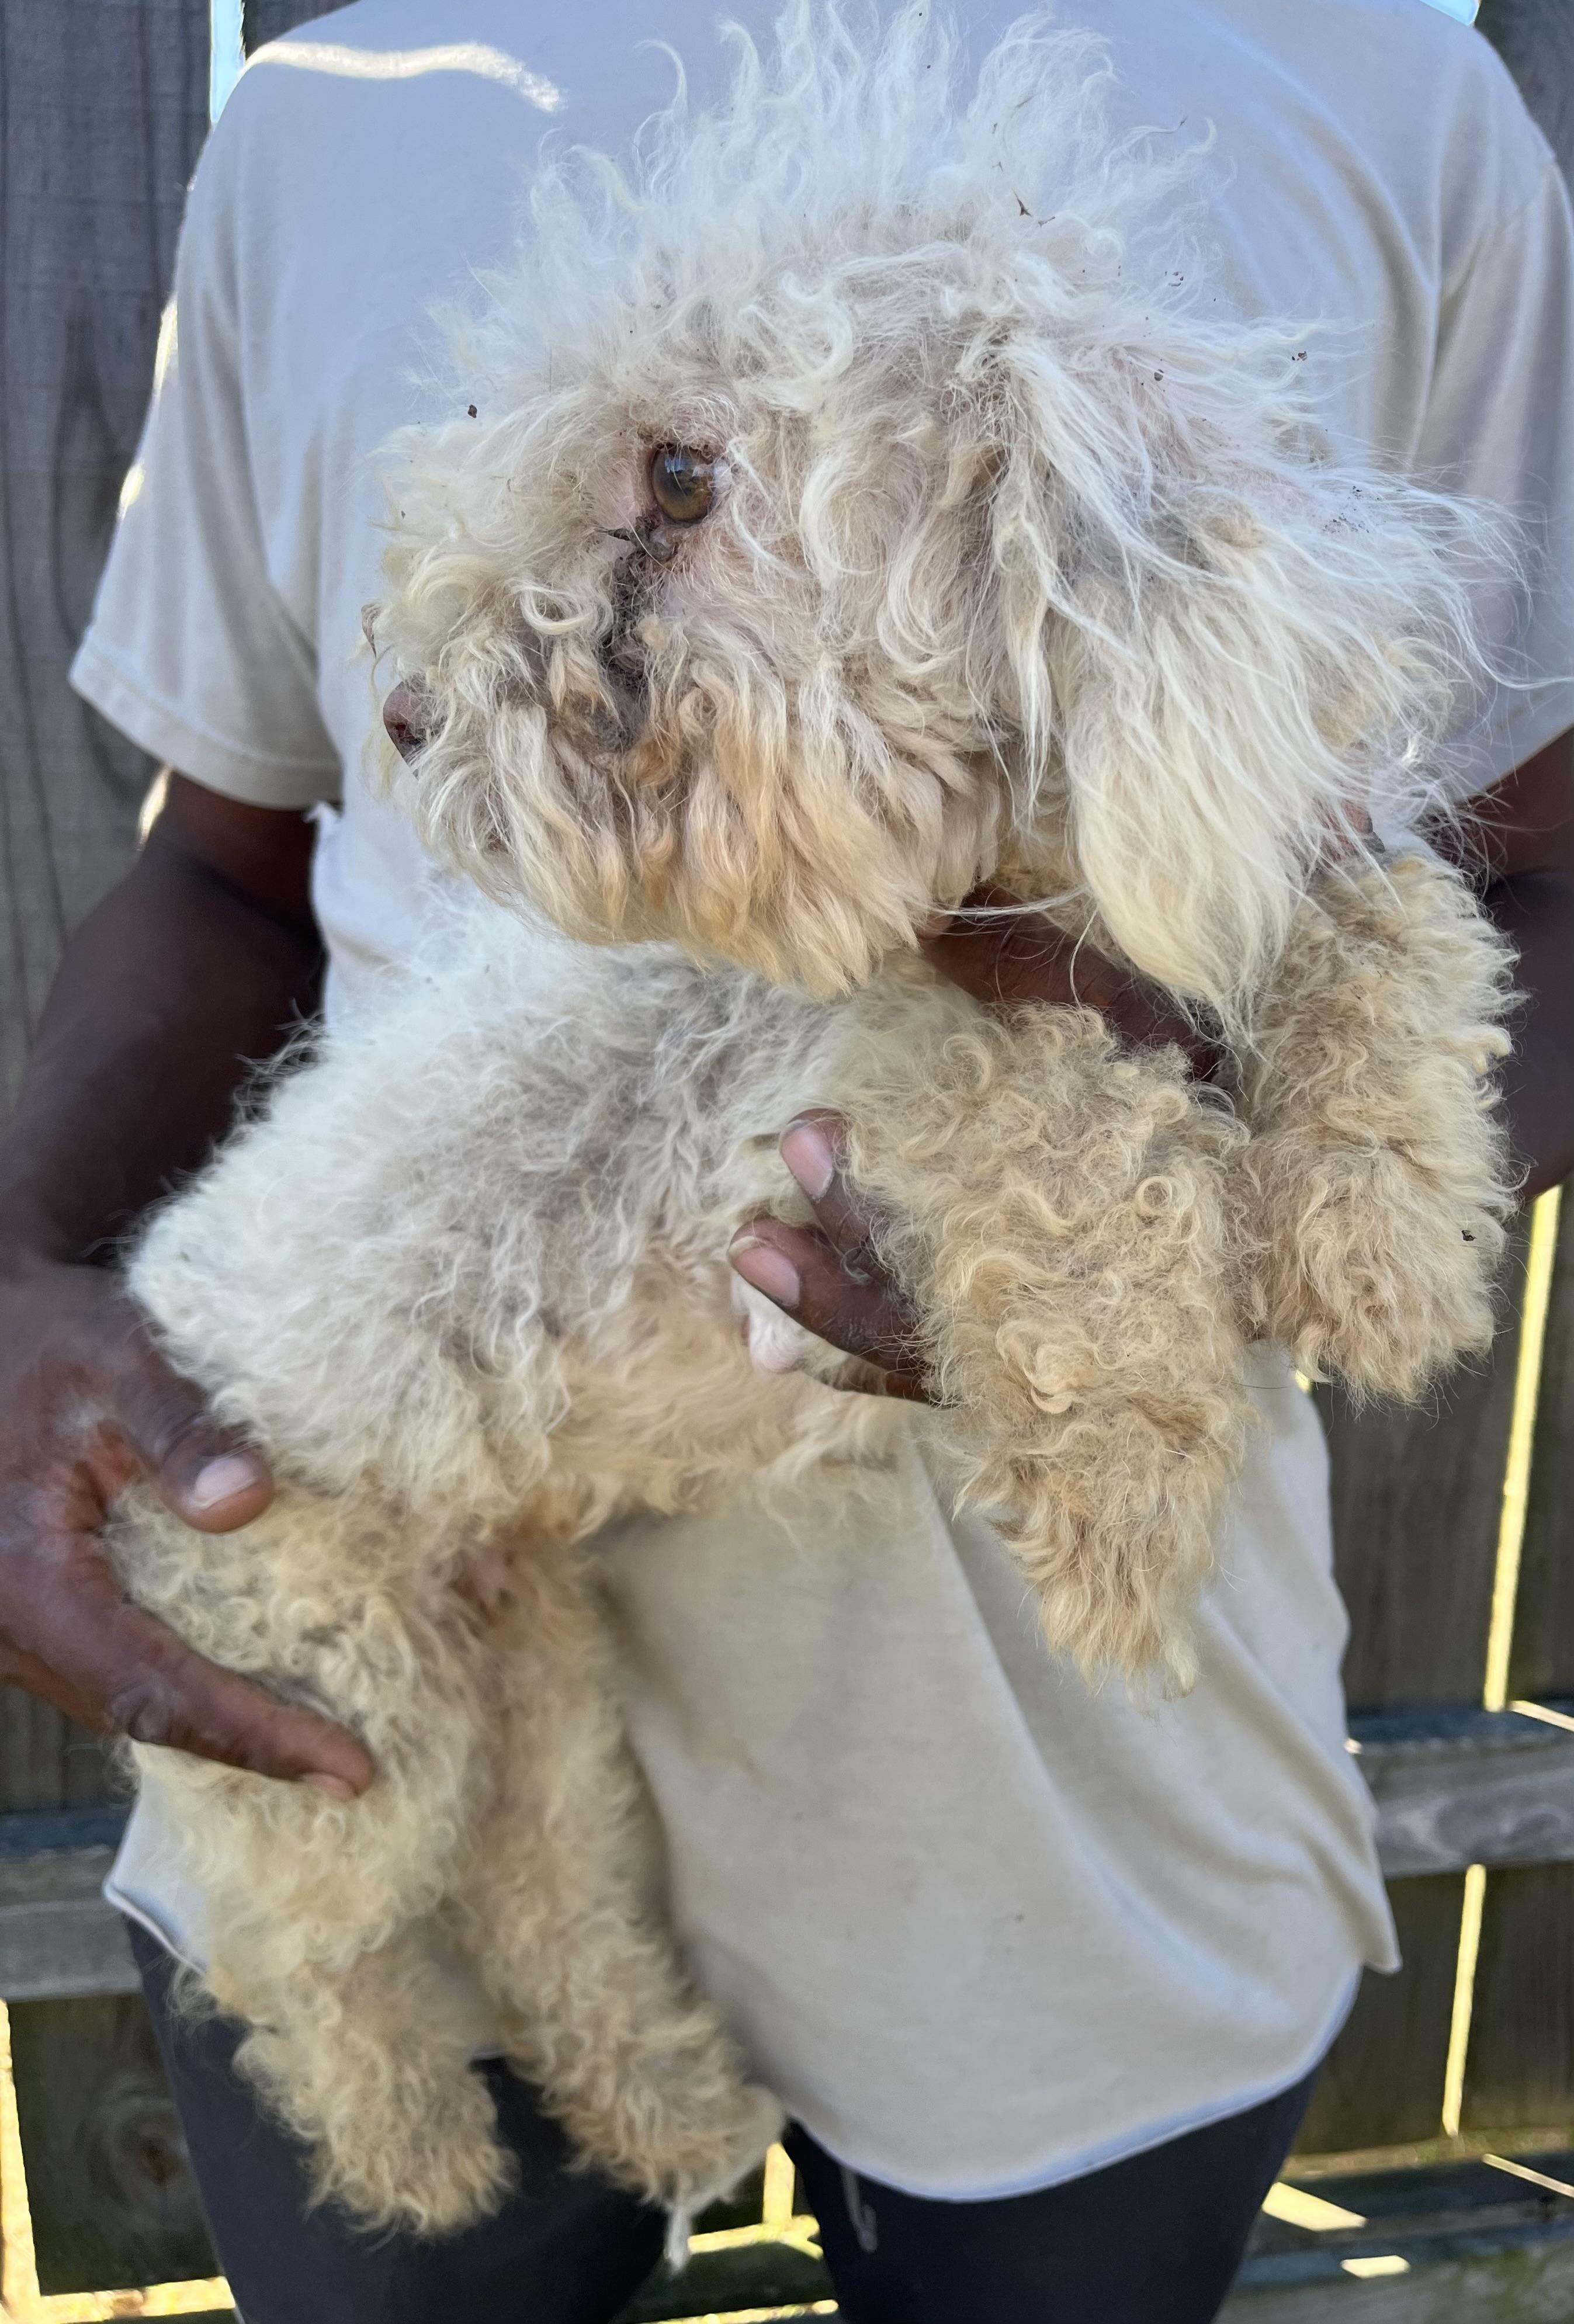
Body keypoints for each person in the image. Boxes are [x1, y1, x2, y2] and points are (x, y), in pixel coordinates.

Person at [2, 2, 1571, 2317]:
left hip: (1094, 1810)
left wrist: (1216, 1242)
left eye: (681, 494)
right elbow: (231, 858)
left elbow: (1509, 868)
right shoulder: (329, 116)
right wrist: (17, 1268)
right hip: (371, 1608)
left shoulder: (1383, 93)